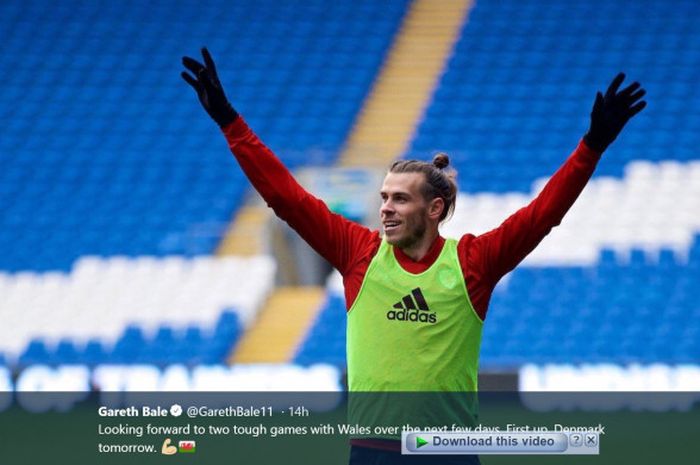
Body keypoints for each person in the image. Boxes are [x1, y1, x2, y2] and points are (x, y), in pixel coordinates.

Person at [181, 48, 646, 465]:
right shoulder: (358, 253)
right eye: (384, 197)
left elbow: (542, 215)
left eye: (400, 199)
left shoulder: (471, 264)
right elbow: (287, 198)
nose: (385, 207)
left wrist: (591, 148)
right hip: (371, 454)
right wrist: (230, 122)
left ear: (434, 209)